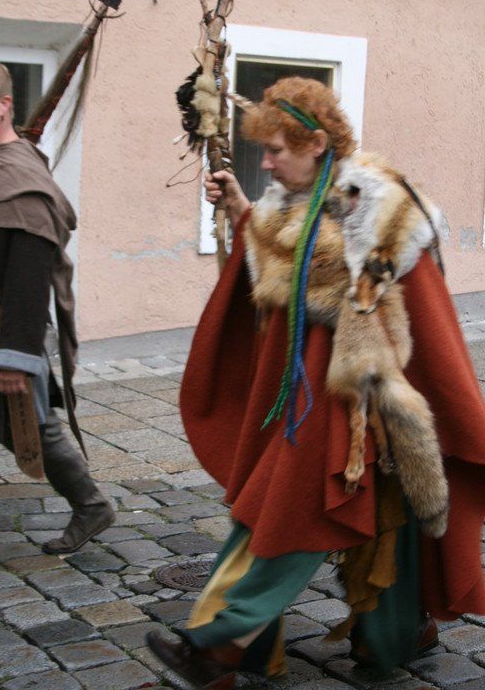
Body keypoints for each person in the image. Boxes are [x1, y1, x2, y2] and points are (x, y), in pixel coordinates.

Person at [147, 77, 485, 688]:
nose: (267, 163)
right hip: (313, 401)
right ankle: (394, 635)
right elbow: (289, 268)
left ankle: (225, 645)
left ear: (318, 144)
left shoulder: (383, 210)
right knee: (362, 518)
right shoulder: (288, 204)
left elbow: (422, 319)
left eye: (276, 150)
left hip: (371, 406)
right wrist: (242, 212)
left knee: (307, 510)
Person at [0, 58, 115, 554]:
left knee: (8, 422)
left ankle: (92, 506)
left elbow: (28, 282)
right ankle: (92, 506)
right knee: (28, 426)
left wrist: (15, 359)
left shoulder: (20, 184)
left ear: (4, 106)